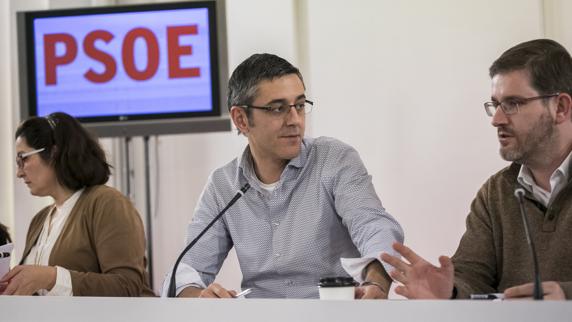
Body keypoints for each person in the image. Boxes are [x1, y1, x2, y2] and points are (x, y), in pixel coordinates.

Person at [163, 53, 404, 299]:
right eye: (277, 109)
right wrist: (198, 298)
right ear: (241, 119)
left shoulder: (335, 159)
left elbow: (374, 226)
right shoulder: (222, 185)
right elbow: (188, 269)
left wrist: (377, 283)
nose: (295, 121)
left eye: (299, 105)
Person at [382, 39, 572, 300]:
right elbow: (472, 275)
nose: (497, 119)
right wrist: (450, 292)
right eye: (496, 104)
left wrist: (567, 296)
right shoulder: (496, 192)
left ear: (560, 107)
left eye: (513, 104)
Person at [0, 112, 154, 296]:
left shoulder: (106, 203)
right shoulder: (39, 221)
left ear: (54, 153)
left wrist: (51, 277)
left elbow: (127, 286)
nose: (19, 172)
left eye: (23, 158)